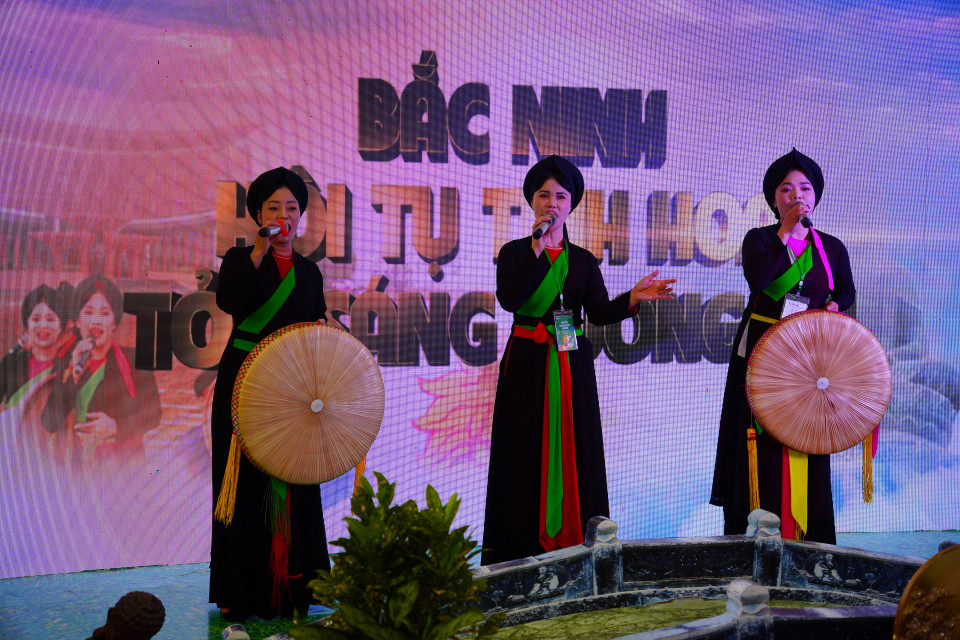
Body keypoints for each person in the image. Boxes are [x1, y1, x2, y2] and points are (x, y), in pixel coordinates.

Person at [481, 155, 675, 565]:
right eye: (543, 194)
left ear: (572, 204)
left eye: (560, 195)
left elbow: (599, 312)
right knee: (523, 450)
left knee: (576, 446)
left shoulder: (584, 260)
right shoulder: (515, 252)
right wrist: (538, 247)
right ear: (532, 202)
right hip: (526, 365)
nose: (551, 202)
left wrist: (633, 299)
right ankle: (518, 550)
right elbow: (511, 300)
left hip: (571, 367)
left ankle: (577, 543)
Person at [710, 148, 856, 543]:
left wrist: (834, 305)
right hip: (763, 348)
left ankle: (809, 535)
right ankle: (757, 533)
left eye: (805, 188)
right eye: (786, 189)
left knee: (808, 435)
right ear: (774, 199)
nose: (796, 196)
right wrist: (786, 234)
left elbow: (846, 290)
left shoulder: (831, 247)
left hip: (809, 356)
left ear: (816, 196)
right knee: (760, 438)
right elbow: (762, 282)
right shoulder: (759, 240)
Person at [209, 167, 330, 620]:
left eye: (292, 208)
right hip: (245, 382)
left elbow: (317, 323)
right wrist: (260, 249)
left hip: (293, 389)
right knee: (241, 484)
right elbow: (231, 303)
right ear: (258, 215)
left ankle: (298, 584)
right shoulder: (239, 260)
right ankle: (239, 590)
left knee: (298, 478)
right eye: (274, 208)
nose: (285, 216)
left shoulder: (310, 272)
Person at [41, 274, 161, 463]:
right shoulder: (65, 363)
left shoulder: (136, 360)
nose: (96, 321)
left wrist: (116, 427)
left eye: (104, 313)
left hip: (122, 470)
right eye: (88, 313)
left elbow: (154, 414)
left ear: (114, 323)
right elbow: (49, 422)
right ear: (78, 322)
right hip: (75, 470)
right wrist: (73, 376)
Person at [0, 285, 68, 409]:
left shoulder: (69, 367)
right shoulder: (11, 364)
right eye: (36, 319)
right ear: (27, 326)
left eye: (50, 319)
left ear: (61, 327)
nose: (43, 326)